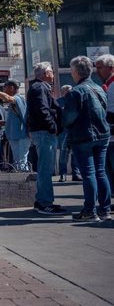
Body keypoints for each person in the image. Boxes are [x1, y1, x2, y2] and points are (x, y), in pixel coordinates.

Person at [62, 56, 111, 221]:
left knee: (89, 173)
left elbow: (68, 118)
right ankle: (105, 210)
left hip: (84, 136)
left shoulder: (75, 92)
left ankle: (90, 211)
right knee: (100, 172)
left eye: (71, 70)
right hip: (103, 135)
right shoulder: (99, 88)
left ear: (76, 72)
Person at [26, 62, 68, 216]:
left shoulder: (38, 87)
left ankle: (42, 200)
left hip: (43, 132)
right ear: (44, 74)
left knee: (45, 167)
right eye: (51, 72)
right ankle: (45, 203)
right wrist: (53, 127)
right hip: (44, 133)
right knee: (45, 169)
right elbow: (43, 110)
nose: (53, 75)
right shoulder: (40, 87)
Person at [0, 80, 31, 172]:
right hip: (16, 135)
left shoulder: (18, 98)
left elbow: (8, 98)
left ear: (11, 88)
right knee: (17, 161)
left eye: (5, 87)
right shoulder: (16, 101)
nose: (3, 89)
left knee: (21, 162)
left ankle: (25, 181)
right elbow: (19, 116)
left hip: (22, 135)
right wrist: (6, 122)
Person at [94, 54, 114, 190]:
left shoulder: (112, 85)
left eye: (100, 67)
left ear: (111, 68)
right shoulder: (108, 85)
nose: (97, 71)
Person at [56, 85, 81, 182]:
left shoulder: (75, 100)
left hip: (75, 131)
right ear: (64, 92)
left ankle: (76, 173)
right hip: (63, 132)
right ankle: (63, 174)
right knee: (63, 153)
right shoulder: (59, 102)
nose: (70, 92)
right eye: (68, 91)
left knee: (75, 153)